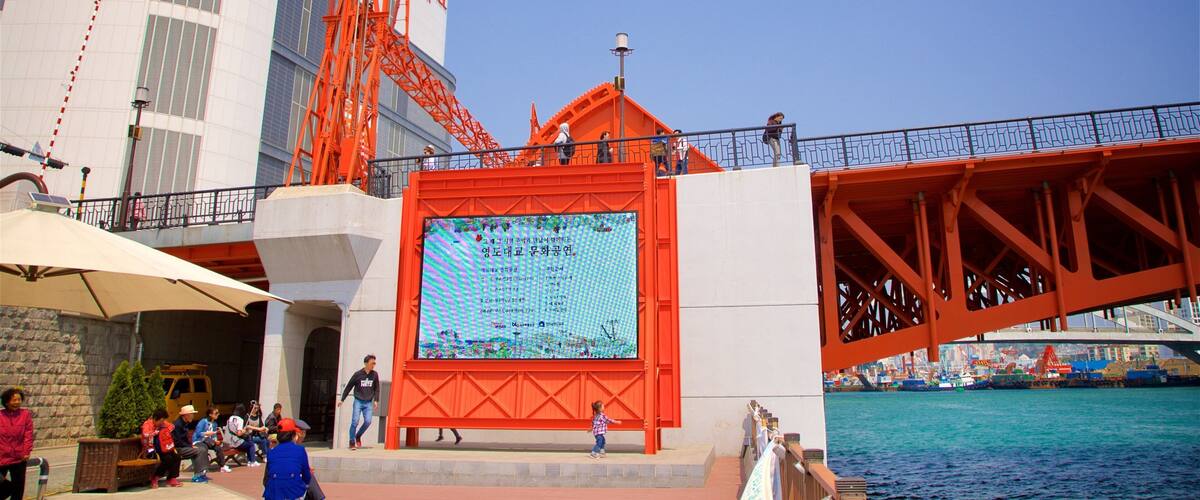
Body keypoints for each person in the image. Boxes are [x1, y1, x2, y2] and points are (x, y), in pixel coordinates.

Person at [338, 354, 380, 450]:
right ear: (366, 363)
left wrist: (376, 400)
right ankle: (352, 441)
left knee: (368, 421)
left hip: (368, 402)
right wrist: (342, 399)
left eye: (374, 363)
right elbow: (349, 386)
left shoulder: (375, 375)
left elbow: (377, 388)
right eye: (372, 363)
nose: (373, 365)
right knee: (355, 421)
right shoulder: (358, 374)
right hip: (358, 401)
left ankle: (358, 435)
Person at [261, 419, 311, 500]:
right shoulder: (300, 450)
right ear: (293, 435)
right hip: (293, 493)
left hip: (272, 494)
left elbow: (266, 479)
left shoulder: (271, 452)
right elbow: (307, 476)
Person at [0, 388, 33, 500]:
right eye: (14, 400)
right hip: (2, 456)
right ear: (6, 402)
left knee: (18, 488)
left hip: (19, 457)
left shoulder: (25, 414)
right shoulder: (0, 415)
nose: (17, 402)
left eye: (19, 400)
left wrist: (26, 451)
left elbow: (28, 435)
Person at [168, 405, 210, 483]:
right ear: (186, 415)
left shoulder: (184, 423)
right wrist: (190, 446)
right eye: (192, 414)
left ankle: (202, 473)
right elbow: (177, 442)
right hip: (177, 449)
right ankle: (198, 476)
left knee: (203, 448)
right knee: (199, 451)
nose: (193, 416)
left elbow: (184, 439)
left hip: (183, 447)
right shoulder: (177, 425)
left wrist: (190, 446)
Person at [141, 408, 181, 488]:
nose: (163, 422)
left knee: (177, 456)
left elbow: (172, 426)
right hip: (150, 449)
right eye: (161, 421)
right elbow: (145, 434)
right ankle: (155, 477)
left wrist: (165, 430)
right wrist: (154, 433)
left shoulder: (162, 424)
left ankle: (172, 478)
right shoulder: (147, 424)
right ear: (155, 418)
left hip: (163, 447)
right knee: (167, 459)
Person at [194, 407, 230, 473]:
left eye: (218, 413)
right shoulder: (203, 421)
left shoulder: (214, 424)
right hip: (200, 441)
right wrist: (206, 433)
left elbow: (214, 435)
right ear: (210, 414)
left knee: (218, 448)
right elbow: (198, 433)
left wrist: (216, 441)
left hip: (209, 442)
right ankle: (203, 468)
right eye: (216, 413)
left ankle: (222, 466)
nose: (218, 414)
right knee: (204, 448)